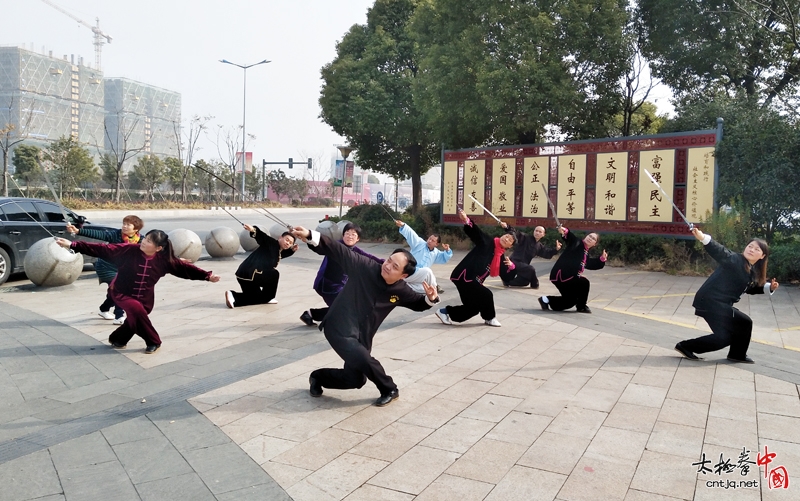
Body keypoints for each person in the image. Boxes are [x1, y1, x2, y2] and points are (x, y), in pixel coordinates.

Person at [291, 225, 440, 407]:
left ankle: (318, 377)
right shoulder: (365, 267)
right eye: (389, 260)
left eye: (394, 267)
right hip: (339, 327)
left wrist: (431, 299)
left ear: (403, 275)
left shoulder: (400, 290)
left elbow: (417, 304)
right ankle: (389, 388)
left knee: (355, 380)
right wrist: (309, 235)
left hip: (363, 335)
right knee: (365, 360)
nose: (387, 266)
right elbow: (337, 250)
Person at [56, 230, 220, 354]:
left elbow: (185, 269)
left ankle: (118, 339)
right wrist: (73, 244)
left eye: (149, 241)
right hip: (121, 292)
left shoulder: (165, 261)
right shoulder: (129, 250)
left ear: (158, 248)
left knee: (137, 316)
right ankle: (154, 341)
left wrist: (207, 276)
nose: (144, 242)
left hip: (146, 298)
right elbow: (103, 249)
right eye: (145, 238)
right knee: (135, 310)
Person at [675, 228, 778, 364]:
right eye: (750, 246)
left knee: (724, 337)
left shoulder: (749, 269)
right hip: (711, 302)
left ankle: (734, 354)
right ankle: (735, 354)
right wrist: (703, 237)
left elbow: (749, 287)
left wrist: (768, 287)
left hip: (717, 304)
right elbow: (720, 252)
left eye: (757, 249)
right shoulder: (735, 260)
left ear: (762, 256)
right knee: (744, 322)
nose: (751, 249)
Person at [434, 208, 516, 327]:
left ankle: (445, 312)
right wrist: (466, 220)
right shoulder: (488, 242)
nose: (506, 238)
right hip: (466, 276)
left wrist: (512, 267)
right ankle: (490, 317)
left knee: (473, 308)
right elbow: (476, 233)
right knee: (487, 294)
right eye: (506, 236)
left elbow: (507, 277)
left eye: (510, 240)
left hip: (473, 281)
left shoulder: (502, 257)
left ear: (510, 246)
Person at [300, 222, 383, 326]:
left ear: (358, 239)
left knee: (345, 308)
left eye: (353, 234)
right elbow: (321, 246)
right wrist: (309, 239)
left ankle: (311, 314)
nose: (350, 236)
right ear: (343, 235)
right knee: (344, 309)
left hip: (340, 286)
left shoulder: (356, 251)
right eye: (347, 233)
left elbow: (371, 259)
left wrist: (389, 264)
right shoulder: (336, 246)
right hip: (327, 285)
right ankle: (316, 316)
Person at [66, 215, 144, 324]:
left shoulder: (140, 240)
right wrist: (78, 231)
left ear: (136, 229)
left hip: (122, 269)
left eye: (128, 225)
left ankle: (104, 309)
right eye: (124, 224)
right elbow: (100, 234)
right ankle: (119, 316)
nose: (124, 226)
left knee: (114, 292)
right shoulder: (116, 234)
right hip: (105, 266)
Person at [225, 224, 297, 308]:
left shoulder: (277, 250)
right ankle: (235, 295)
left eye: (290, 243)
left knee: (257, 298)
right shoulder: (271, 243)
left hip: (245, 275)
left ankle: (234, 297)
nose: (287, 243)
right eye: (287, 240)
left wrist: (292, 250)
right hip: (250, 274)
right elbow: (263, 237)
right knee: (274, 274)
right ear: (281, 237)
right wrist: (253, 230)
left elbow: (280, 255)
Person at [538, 226, 607, 314]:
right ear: (585, 237)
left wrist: (601, 259)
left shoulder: (585, 253)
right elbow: (571, 239)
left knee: (570, 301)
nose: (590, 238)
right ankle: (581, 307)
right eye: (590, 236)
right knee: (584, 283)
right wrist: (566, 232)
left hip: (567, 278)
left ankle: (546, 300)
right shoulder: (578, 243)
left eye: (593, 238)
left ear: (595, 244)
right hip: (563, 275)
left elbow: (590, 264)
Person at [395, 219, 453, 294]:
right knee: (427, 271)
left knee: (426, 287)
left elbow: (444, 258)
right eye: (429, 239)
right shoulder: (419, 243)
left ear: (436, 244)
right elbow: (411, 234)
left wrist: (448, 250)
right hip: (410, 271)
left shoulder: (436, 253)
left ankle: (404, 286)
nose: (429, 241)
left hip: (420, 277)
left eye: (433, 241)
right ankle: (435, 287)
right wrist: (403, 225)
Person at [499, 224, 561, 288]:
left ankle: (508, 282)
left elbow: (547, 253)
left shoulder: (539, 246)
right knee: (531, 269)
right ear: (533, 231)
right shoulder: (525, 237)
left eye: (540, 232)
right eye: (536, 231)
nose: (537, 233)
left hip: (523, 266)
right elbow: (516, 234)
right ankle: (535, 284)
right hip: (514, 262)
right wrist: (507, 227)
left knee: (525, 282)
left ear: (543, 234)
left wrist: (556, 249)